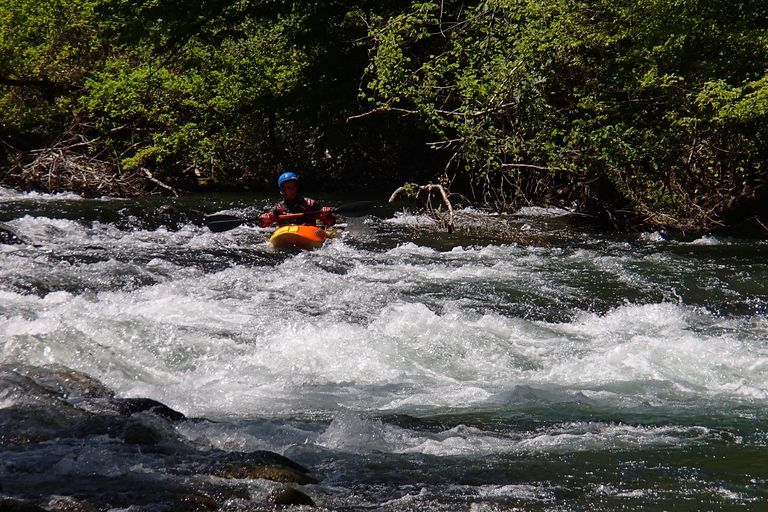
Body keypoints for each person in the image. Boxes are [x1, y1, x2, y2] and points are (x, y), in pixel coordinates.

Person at [259, 171, 336, 227]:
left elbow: (331, 223)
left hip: (308, 233)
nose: (292, 190)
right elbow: (262, 225)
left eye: (294, 186)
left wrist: (327, 214)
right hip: (286, 234)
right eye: (288, 187)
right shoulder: (278, 208)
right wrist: (264, 218)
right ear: (282, 190)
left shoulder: (310, 203)